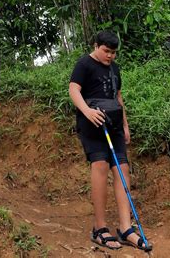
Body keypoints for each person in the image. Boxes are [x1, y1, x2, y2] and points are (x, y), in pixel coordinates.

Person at [69, 30, 150, 252]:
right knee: (100, 166)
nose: (110, 56)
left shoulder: (115, 67)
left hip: (113, 124)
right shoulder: (84, 64)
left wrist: (125, 124)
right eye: (106, 51)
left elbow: (118, 95)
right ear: (96, 45)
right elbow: (73, 89)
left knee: (122, 169)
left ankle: (125, 228)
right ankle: (99, 228)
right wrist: (87, 111)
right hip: (92, 124)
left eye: (113, 52)